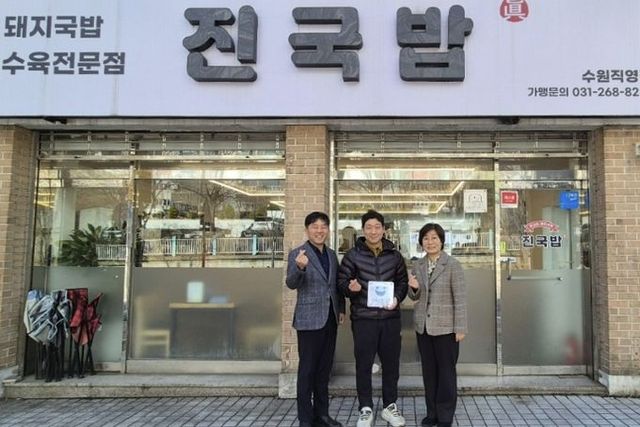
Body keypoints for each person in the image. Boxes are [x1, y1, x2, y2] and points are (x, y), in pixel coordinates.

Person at [337, 210, 408, 427]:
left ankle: (389, 406)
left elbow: (403, 282)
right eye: (369, 227)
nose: (373, 231)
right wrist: (351, 288)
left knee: (391, 364)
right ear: (363, 230)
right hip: (364, 319)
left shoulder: (394, 256)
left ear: (384, 229)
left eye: (377, 227)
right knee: (364, 365)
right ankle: (365, 408)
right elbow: (341, 283)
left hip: (390, 318)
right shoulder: (352, 255)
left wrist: (396, 298)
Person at [286, 211, 345, 427]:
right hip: (309, 320)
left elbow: (336, 285)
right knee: (307, 371)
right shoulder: (298, 254)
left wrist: (341, 309)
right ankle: (305, 419)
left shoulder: (331, 254)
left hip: (330, 319)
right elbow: (291, 283)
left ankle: (322, 415)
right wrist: (300, 267)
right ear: (307, 230)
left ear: (328, 230)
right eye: (315, 226)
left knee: (323, 371)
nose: (319, 230)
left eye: (323, 226)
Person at [408, 223, 467, 427]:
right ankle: (431, 413)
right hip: (423, 327)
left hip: (446, 328)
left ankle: (445, 415)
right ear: (421, 242)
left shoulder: (453, 265)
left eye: (434, 238)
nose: (430, 242)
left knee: (446, 373)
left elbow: (460, 298)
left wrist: (460, 327)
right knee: (429, 372)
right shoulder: (418, 265)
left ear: (441, 240)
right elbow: (414, 296)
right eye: (426, 238)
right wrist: (414, 288)